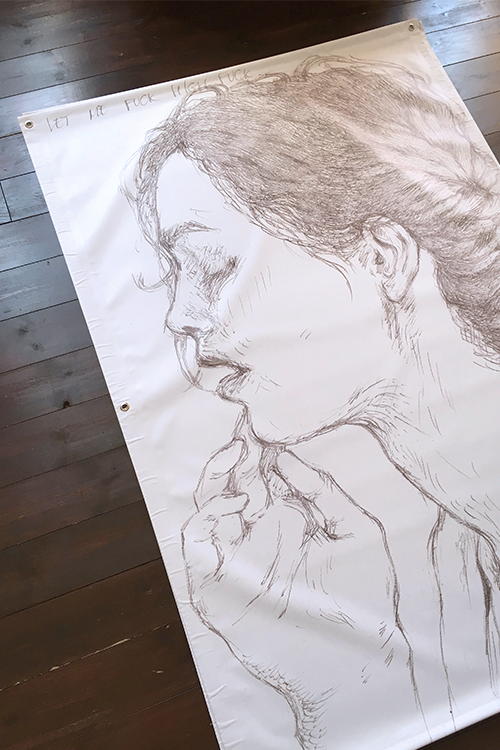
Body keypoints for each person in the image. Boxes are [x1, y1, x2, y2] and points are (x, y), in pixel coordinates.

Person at [125, 56, 500, 748]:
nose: (180, 316)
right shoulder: (452, 556)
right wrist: (336, 683)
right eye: (177, 275)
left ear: (384, 257)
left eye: (216, 267)